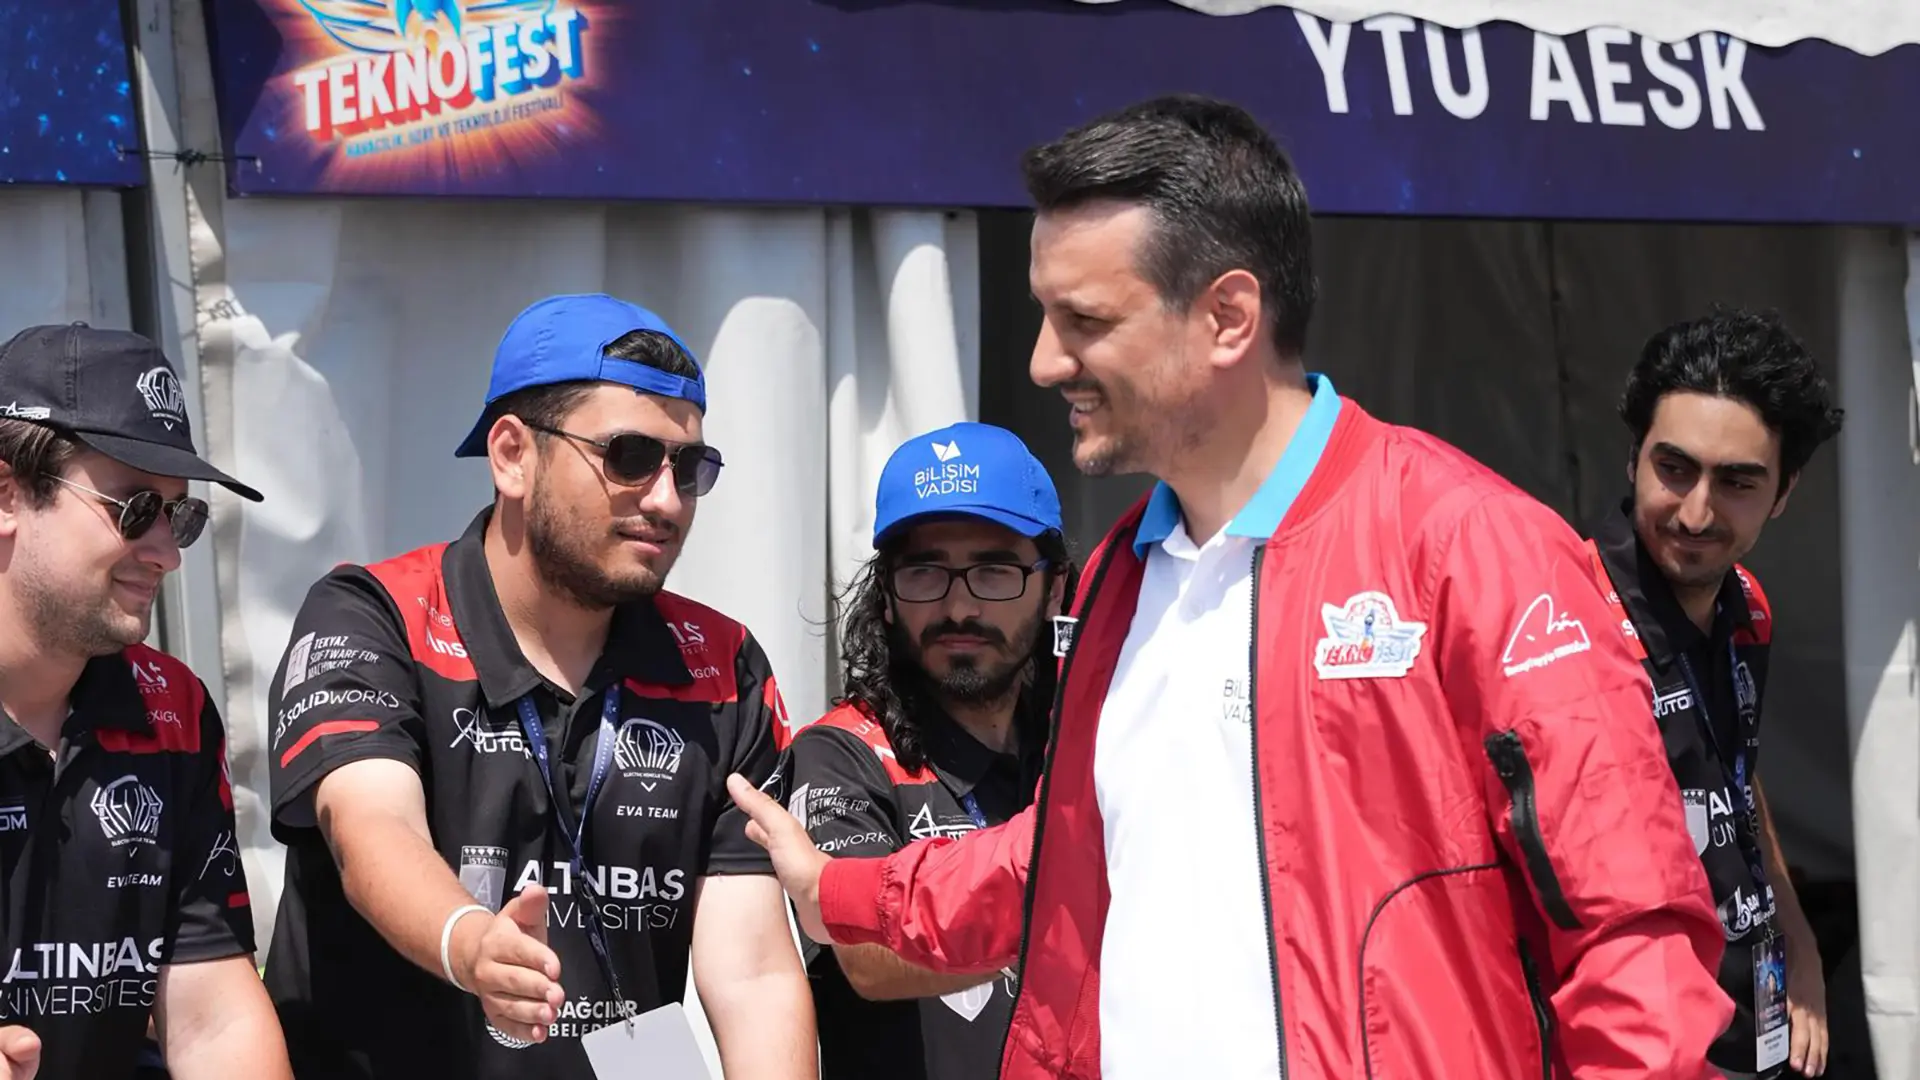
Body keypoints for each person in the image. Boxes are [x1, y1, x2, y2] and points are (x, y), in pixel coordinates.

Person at [726, 94, 1733, 1080]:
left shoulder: (1471, 544)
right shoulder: (1121, 573)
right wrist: (846, 891)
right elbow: (1070, 852)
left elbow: (1634, 936)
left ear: (1228, 317)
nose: (1042, 362)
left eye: (1084, 320)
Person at [262, 295, 815, 1079]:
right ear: (513, 455)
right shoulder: (374, 616)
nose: (666, 499)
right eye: (629, 456)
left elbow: (754, 972)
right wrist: (468, 942)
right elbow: (370, 830)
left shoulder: (722, 665)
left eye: (690, 468)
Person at [0, 325, 291, 1080]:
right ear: (7, 495)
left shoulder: (173, 710)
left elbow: (215, 1019)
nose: (166, 552)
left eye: (179, 516)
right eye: (134, 508)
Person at [1586, 310, 1842, 1079]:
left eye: (1736, 482)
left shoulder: (1749, 607)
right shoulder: (1567, 617)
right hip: (1639, 1049)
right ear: (1633, 458)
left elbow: (1732, 770)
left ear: (1783, 492)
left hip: (1751, 1025)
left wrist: (1798, 938)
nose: (1696, 512)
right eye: (1674, 468)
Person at [786, 422, 1071, 1080]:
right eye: (925, 573)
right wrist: (1080, 903)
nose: (960, 606)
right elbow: (868, 953)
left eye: (994, 571)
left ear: (1053, 587)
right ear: (887, 596)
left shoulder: (1085, 743)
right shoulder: (841, 751)